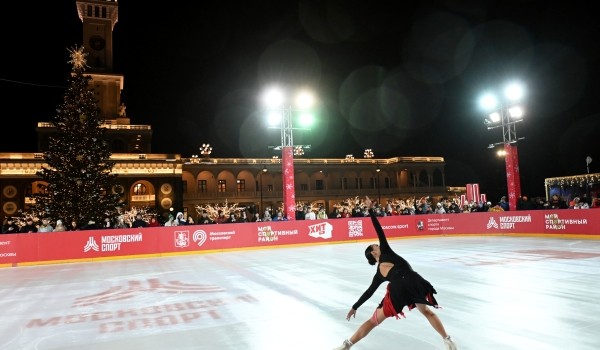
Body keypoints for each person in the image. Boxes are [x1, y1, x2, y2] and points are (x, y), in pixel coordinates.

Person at [333, 196, 457, 350]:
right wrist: (370, 210)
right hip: (413, 281)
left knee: (373, 321)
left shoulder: (379, 274)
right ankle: (447, 339)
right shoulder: (386, 251)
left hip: (398, 289)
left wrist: (355, 307)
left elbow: (369, 292)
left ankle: (347, 345)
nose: (378, 245)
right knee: (427, 312)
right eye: (375, 246)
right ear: (373, 252)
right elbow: (379, 229)